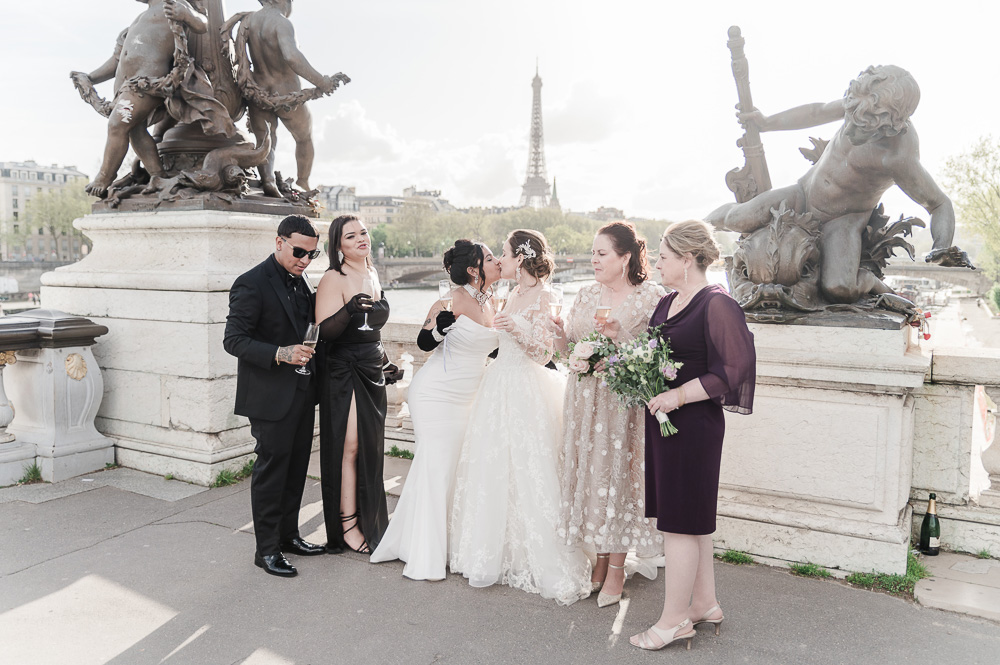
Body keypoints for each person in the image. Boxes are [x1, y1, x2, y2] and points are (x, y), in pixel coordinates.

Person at [706, 65, 973, 304]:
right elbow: (816, 111)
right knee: (739, 217)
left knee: (839, 288)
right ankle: (694, 229)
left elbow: (939, 203)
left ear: (890, 125)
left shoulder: (898, 156)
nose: (851, 129)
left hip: (842, 219)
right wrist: (765, 123)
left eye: (864, 127)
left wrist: (941, 246)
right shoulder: (858, 102)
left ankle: (870, 281)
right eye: (851, 117)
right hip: (803, 194)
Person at [630, 220, 756, 651]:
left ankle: (672, 622)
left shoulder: (717, 304)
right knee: (692, 522)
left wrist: (678, 396)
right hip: (665, 424)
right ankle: (704, 603)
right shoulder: (667, 302)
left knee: (680, 526)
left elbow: (734, 369)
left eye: (663, 257)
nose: (657, 264)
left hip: (693, 428)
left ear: (686, 260)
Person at [449, 229, 591, 606]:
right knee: (497, 467)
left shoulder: (547, 295)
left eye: (506, 255)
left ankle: (543, 556)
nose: (501, 261)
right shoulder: (511, 293)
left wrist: (519, 328)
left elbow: (545, 351)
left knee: (534, 467)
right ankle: (500, 550)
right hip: (499, 386)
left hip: (527, 387)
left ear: (522, 258)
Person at [370, 240, 501, 580]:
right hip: (436, 396)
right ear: (474, 270)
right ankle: (424, 554)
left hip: (469, 397)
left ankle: (442, 543)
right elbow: (423, 342)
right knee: (437, 467)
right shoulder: (448, 300)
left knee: (455, 469)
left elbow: (495, 353)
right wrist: (439, 328)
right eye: (490, 258)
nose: (498, 261)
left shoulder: (495, 303)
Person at [552, 221, 664, 607]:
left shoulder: (651, 297)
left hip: (623, 406)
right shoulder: (584, 294)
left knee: (617, 478)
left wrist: (622, 339)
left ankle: (616, 568)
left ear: (625, 257)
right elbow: (569, 352)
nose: (593, 260)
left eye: (602, 254)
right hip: (584, 402)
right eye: (593, 253)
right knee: (593, 477)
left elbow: (659, 357)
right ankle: (599, 559)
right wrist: (557, 336)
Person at [223, 214, 326, 577]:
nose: (305, 260)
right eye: (299, 251)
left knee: (297, 468)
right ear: (279, 241)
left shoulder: (303, 280)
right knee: (271, 471)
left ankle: (289, 536)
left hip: (302, 390)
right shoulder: (250, 283)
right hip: (269, 395)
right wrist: (282, 353)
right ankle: (265, 550)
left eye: (312, 254)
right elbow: (233, 341)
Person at [75, 0, 237, 198]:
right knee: (136, 131)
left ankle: (104, 177)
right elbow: (116, 61)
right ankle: (158, 175)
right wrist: (91, 77)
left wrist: (186, 14)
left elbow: (202, 23)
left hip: (147, 84)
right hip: (126, 88)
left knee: (117, 125)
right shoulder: (137, 21)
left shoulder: (173, 6)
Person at [315, 215, 400, 554]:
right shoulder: (332, 278)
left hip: (370, 367)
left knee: (369, 448)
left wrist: (385, 360)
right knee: (349, 448)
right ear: (338, 246)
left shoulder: (372, 273)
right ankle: (347, 525)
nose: (361, 239)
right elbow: (323, 332)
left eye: (363, 232)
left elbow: (372, 333)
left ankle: (370, 520)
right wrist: (348, 310)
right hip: (344, 370)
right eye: (351, 236)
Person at [241, 0, 342, 196]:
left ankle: (268, 180)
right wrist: (321, 81)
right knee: (304, 137)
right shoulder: (281, 22)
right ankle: (302, 181)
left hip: (258, 93)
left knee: (265, 141)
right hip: (287, 95)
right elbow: (291, 56)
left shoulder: (249, 21)